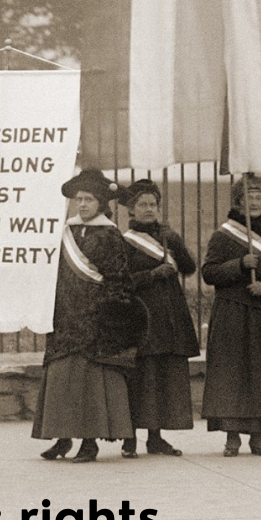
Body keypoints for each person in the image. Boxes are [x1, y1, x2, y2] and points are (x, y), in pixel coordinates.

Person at [33, 170, 141, 463]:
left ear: (102, 203)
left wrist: (103, 312)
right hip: (64, 318)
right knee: (61, 381)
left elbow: (119, 281)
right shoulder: (66, 232)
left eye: (89, 199)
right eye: (78, 199)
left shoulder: (110, 236)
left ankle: (89, 442)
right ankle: (61, 438)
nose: (82, 204)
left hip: (94, 321)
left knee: (88, 384)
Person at [201, 174, 261, 456]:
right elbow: (210, 272)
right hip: (232, 312)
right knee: (233, 375)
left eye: (259, 198)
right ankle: (232, 437)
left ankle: (258, 436)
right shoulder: (222, 235)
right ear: (238, 203)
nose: (255, 203)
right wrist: (240, 265)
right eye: (249, 198)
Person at [117, 179, 198, 457]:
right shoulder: (125, 242)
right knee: (139, 379)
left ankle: (155, 437)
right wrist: (152, 275)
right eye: (142, 205)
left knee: (160, 378)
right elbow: (120, 281)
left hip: (168, 318)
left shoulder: (166, 237)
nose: (148, 209)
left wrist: (174, 240)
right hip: (140, 317)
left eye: (153, 204)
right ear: (131, 210)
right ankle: (130, 439)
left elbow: (189, 267)